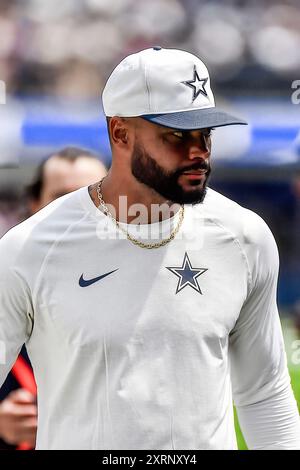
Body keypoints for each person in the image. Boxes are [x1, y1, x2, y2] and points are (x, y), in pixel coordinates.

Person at [0, 47, 299, 450]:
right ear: (120, 132)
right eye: (176, 135)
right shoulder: (30, 247)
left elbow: (264, 393)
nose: (199, 151)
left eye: (205, 133)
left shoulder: (244, 236)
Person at [0, 146, 107, 449]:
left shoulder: (147, 282)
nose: (79, 210)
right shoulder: (8, 277)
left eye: (92, 196)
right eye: (62, 198)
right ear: (34, 204)